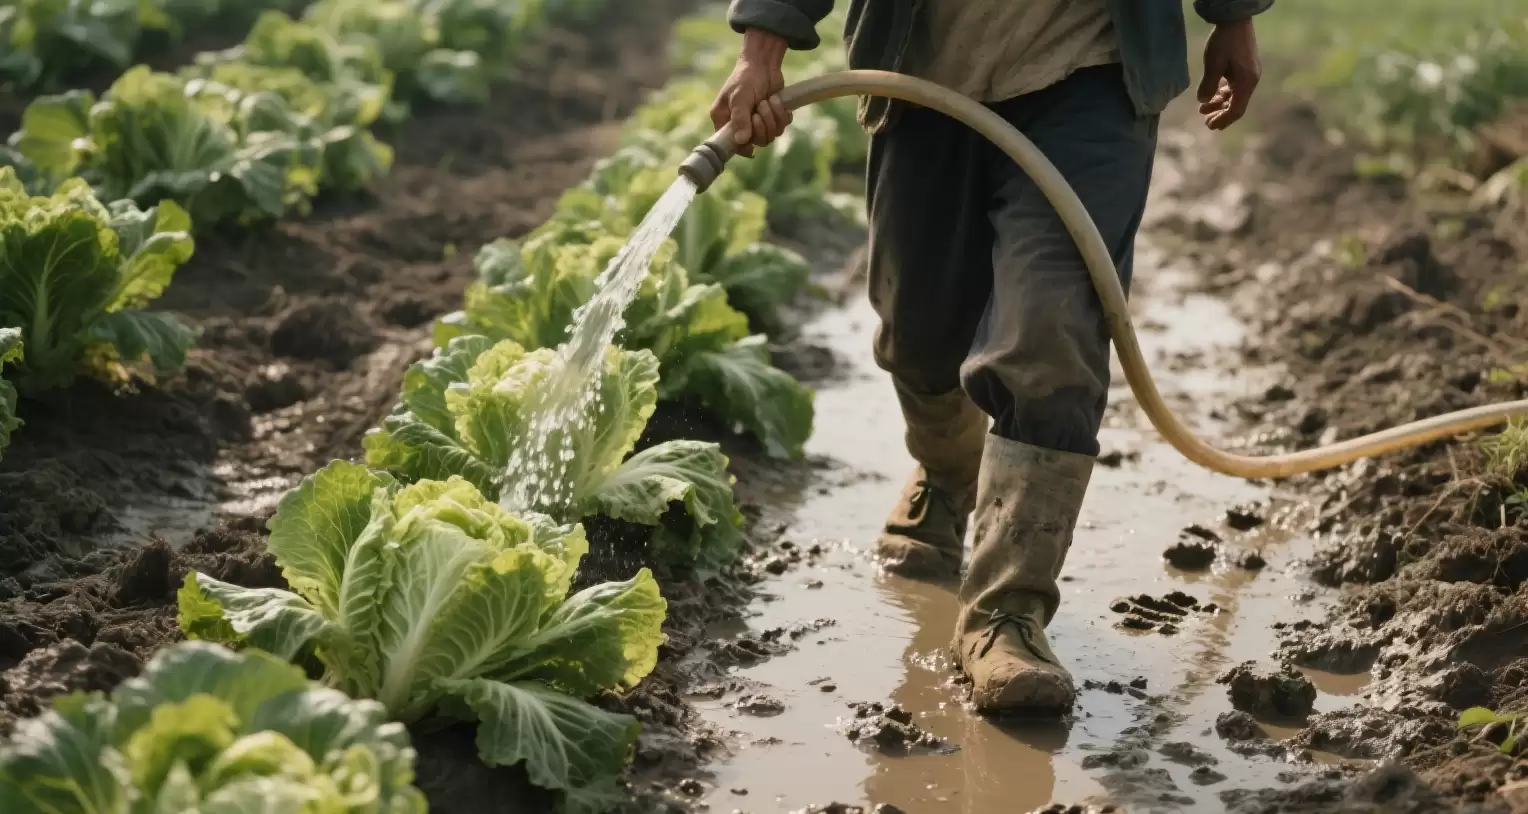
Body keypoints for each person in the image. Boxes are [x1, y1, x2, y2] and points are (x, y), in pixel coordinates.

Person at [711, 0, 1270, 715]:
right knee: (918, 331)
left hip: (1091, 70)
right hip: (924, 64)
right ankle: (949, 475)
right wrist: (762, 46)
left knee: (1051, 330)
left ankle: (1007, 614)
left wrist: (1234, 16)